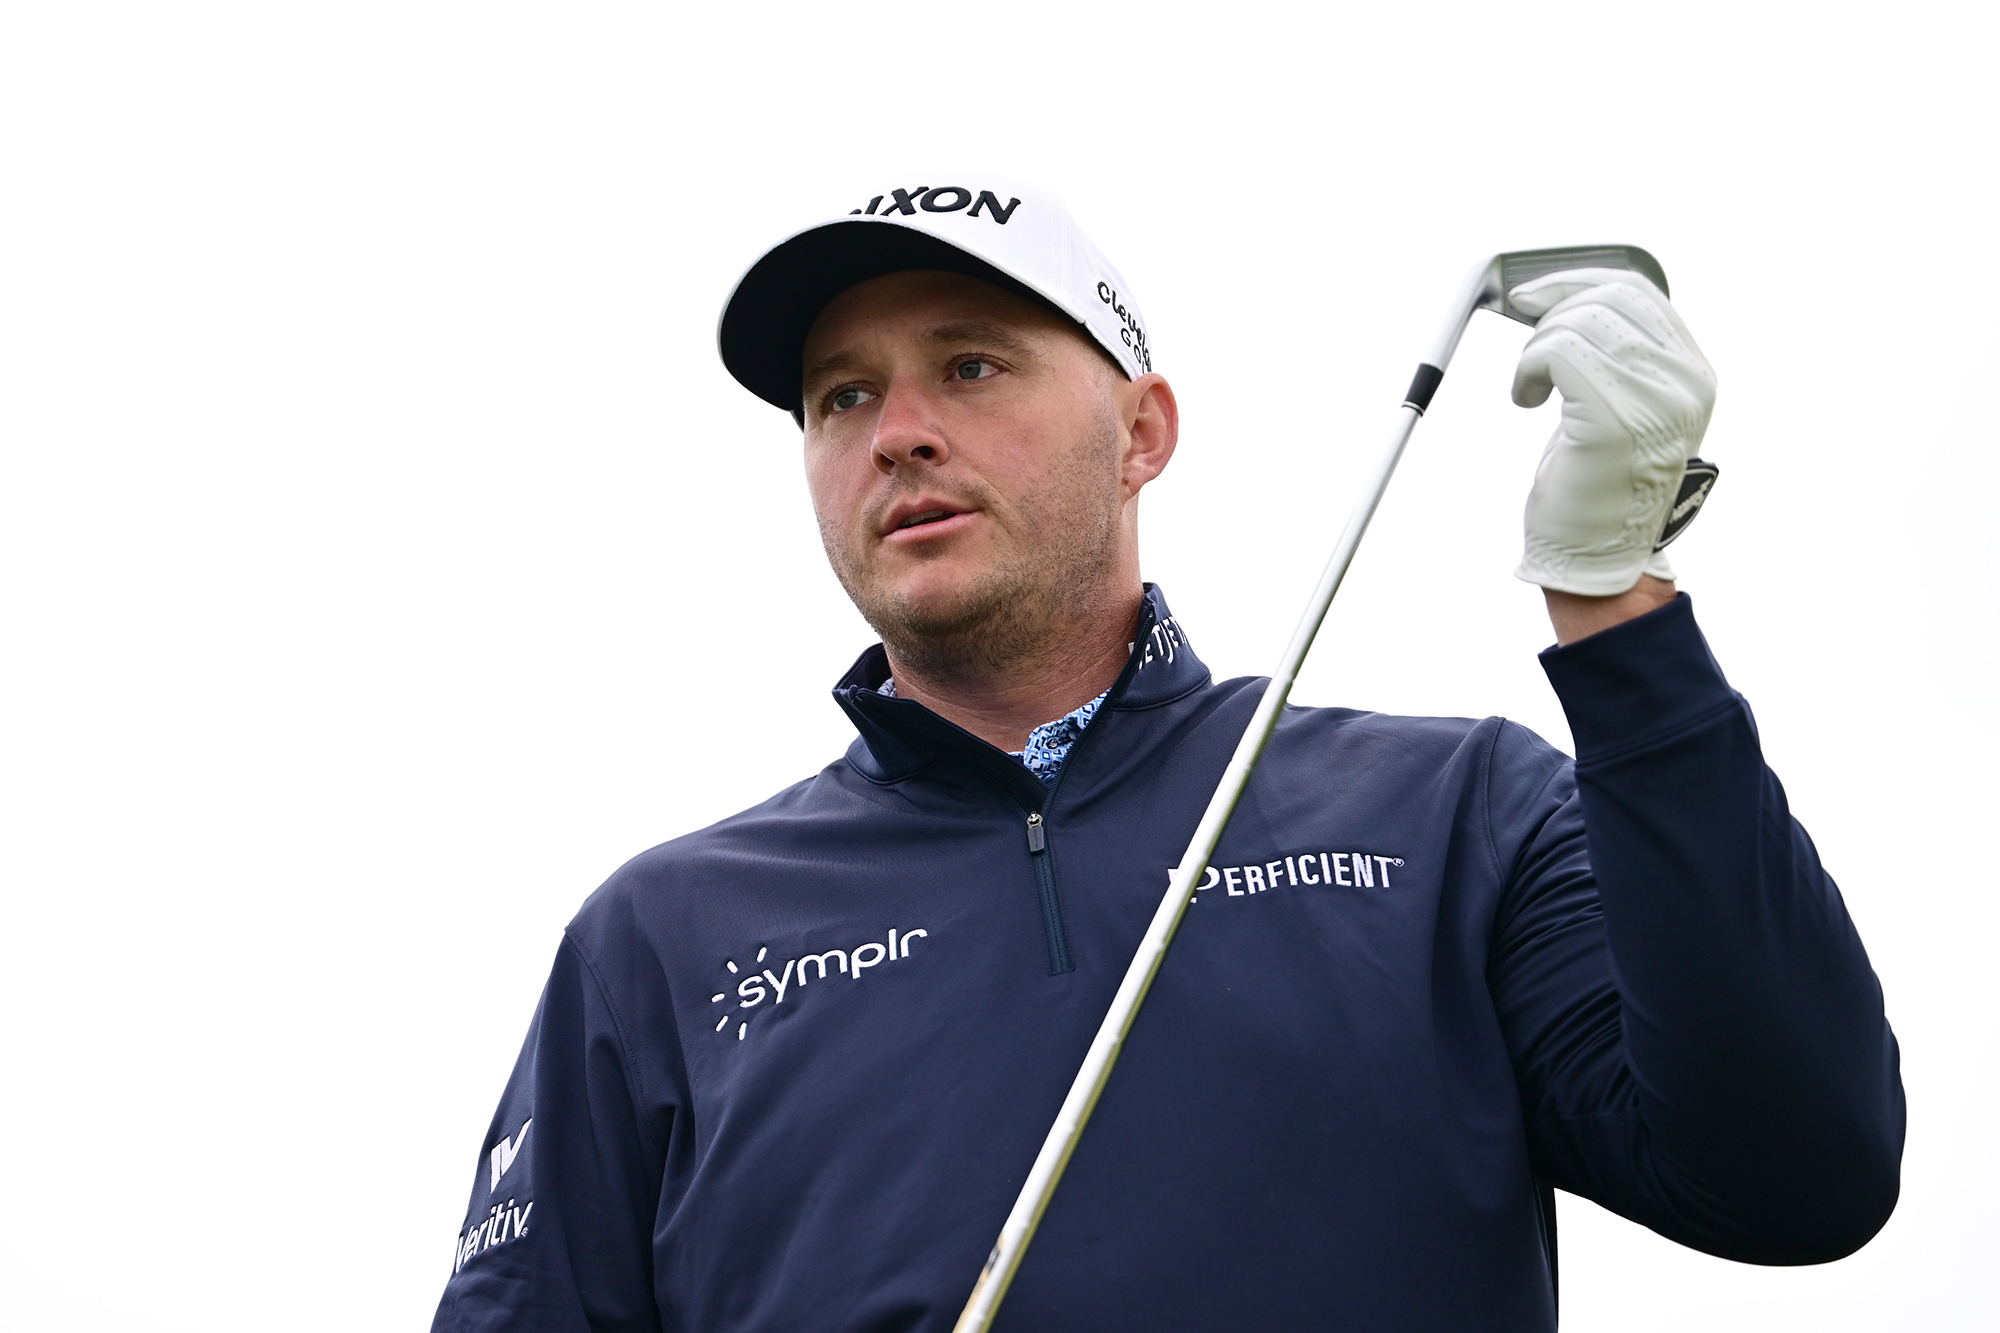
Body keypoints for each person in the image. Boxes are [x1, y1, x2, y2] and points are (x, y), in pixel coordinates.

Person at [430, 179, 1903, 1332]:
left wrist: (1614, 595)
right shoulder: (662, 938)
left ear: (1143, 430)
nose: (900, 433)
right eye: (844, 396)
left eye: (971, 362)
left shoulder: (1453, 811)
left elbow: (1798, 1168)